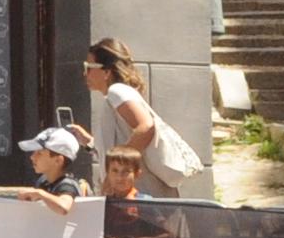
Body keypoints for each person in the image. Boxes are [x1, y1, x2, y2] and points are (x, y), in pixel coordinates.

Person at [81, 35, 201, 194]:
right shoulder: (115, 97)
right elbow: (121, 144)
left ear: (107, 72)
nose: (85, 74)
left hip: (143, 198)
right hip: (140, 198)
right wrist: (89, 142)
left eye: (89, 67)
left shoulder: (117, 91)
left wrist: (115, 174)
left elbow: (146, 127)